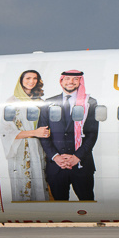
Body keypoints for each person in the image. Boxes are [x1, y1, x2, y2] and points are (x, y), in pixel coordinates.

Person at [38, 69, 98, 202]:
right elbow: (43, 134)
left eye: (75, 79)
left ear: (79, 82)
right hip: (56, 166)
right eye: (67, 79)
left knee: (87, 203)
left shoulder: (89, 103)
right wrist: (56, 157)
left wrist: (77, 157)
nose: (71, 82)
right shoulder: (48, 103)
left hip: (81, 165)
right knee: (59, 206)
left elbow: (92, 134)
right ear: (61, 81)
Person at [3, 69, 49, 202]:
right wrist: (34, 133)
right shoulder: (12, 102)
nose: (31, 81)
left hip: (40, 148)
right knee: (24, 181)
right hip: (22, 149)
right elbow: (7, 132)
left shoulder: (40, 101)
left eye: (35, 78)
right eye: (28, 78)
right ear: (21, 80)